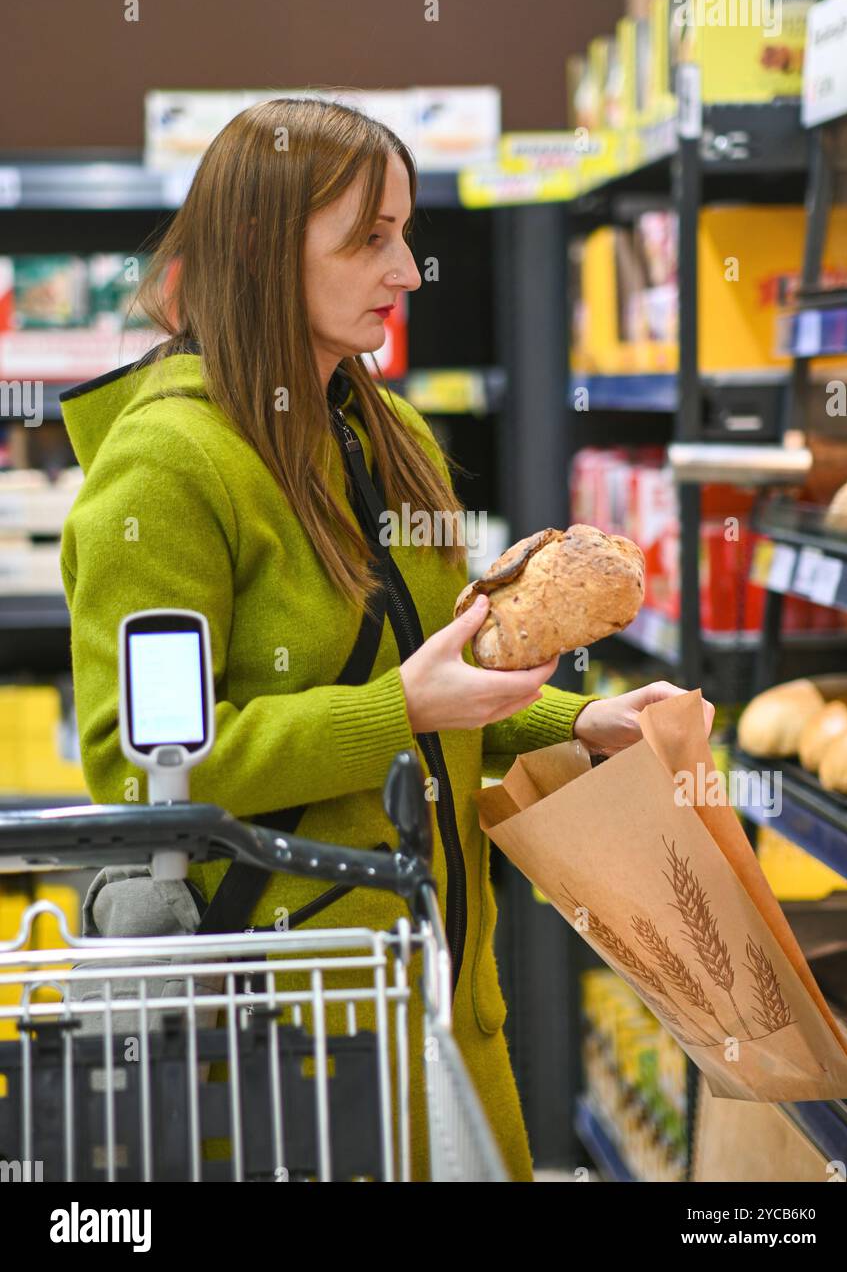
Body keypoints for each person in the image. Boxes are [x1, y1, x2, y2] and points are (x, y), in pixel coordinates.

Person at [59, 97, 712, 1182]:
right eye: (370, 239)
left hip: (443, 986)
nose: (409, 270)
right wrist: (396, 713)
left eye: (404, 233)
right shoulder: (168, 469)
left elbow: (440, 679)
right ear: (263, 252)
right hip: (285, 1017)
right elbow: (137, 771)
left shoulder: (386, 432)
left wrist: (580, 718)